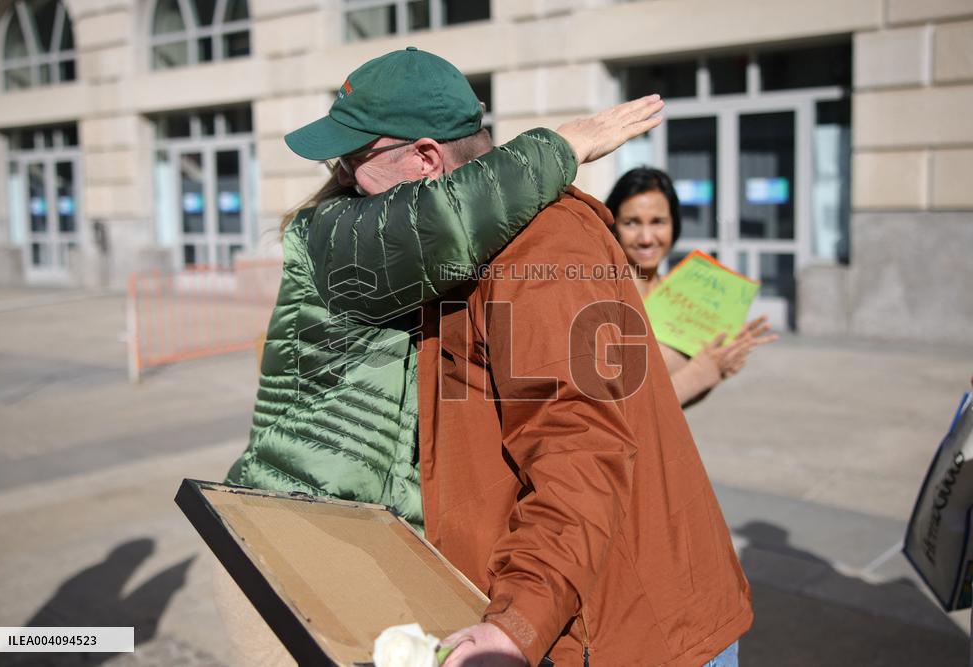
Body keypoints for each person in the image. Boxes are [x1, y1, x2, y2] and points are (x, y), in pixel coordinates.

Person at [283, 50, 753, 666]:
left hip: (625, 633)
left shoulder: (542, 250)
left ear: (425, 158)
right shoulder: (444, 251)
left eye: (352, 159)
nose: (343, 180)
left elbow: (579, 447)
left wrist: (519, 622)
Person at [606, 167, 777, 407]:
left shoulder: (679, 296)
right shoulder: (605, 296)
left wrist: (719, 368)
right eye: (631, 223)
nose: (646, 238)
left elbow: (675, 407)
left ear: (674, 224)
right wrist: (701, 373)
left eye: (658, 222)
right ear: (613, 226)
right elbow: (622, 409)